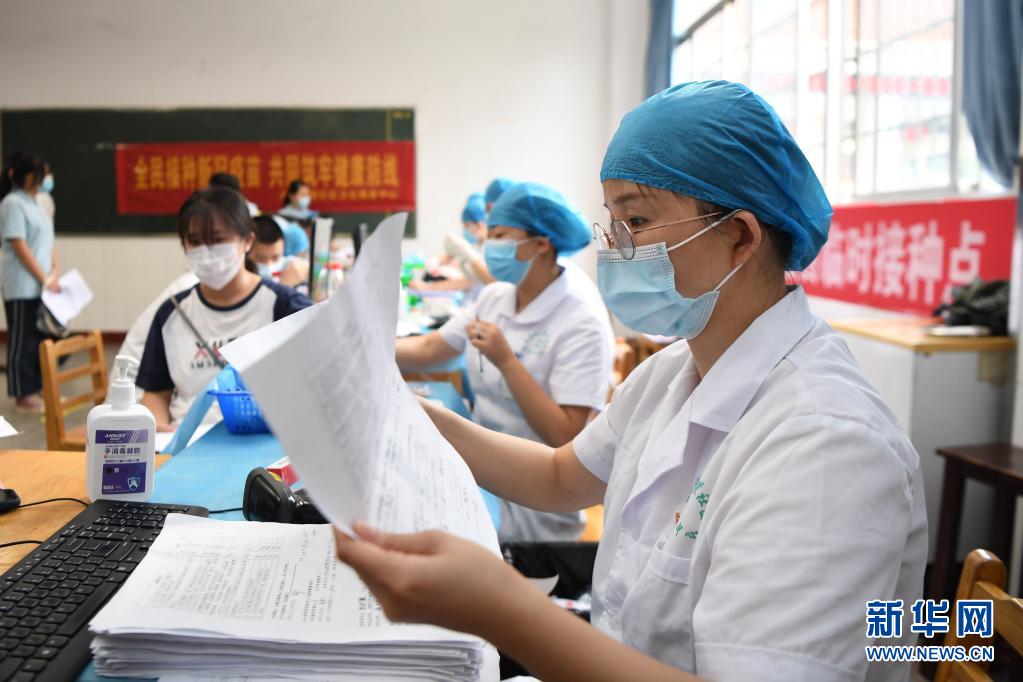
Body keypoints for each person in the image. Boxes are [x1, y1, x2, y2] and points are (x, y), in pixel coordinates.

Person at [336, 81, 927, 681]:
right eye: (613, 223)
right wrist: (411, 415)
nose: (616, 248)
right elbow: (560, 475)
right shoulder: (675, 371)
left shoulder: (825, 445)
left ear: (742, 237)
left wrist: (503, 610)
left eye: (637, 220)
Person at [396, 181, 614, 543]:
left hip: (534, 502)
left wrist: (507, 362)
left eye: (499, 236)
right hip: (481, 468)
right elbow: (432, 348)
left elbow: (566, 436)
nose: (488, 246)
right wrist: (366, 345)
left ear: (541, 244)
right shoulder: (495, 298)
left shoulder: (581, 320)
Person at [137, 186, 311, 431]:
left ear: (248, 241)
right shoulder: (171, 313)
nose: (207, 252)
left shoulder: (285, 306)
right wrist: (159, 430)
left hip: (260, 442)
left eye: (218, 240)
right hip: (185, 443)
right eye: (195, 242)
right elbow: (156, 393)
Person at [0, 153, 60, 412]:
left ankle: (35, 387)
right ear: (25, 175)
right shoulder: (12, 203)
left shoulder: (38, 203)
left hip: (41, 285)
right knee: (21, 339)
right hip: (22, 284)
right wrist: (43, 277)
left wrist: (54, 272)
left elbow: (49, 241)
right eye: (39, 174)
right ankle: (21, 392)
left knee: (38, 339)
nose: (44, 179)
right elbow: (19, 245)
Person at [251, 214, 311, 292]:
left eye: (275, 258)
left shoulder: (292, 266)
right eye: (261, 259)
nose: (269, 266)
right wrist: (283, 286)